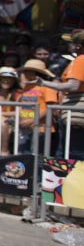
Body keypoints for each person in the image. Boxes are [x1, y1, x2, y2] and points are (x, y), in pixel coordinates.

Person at [39, 29, 84, 157]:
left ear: (78, 45)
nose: (67, 45)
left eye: (70, 42)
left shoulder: (81, 59)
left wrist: (43, 83)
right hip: (76, 114)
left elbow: (73, 86)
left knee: (73, 154)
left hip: (76, 114)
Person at [16, 58, 59, 155]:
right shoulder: (27, 87)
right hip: (25, 129)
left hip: (41, 128)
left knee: (37, 159)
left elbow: (50, 108)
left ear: (34, 72)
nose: (24, 73)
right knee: (24, 158)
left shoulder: (48, 87)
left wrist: (31, 121)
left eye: (26, 71)